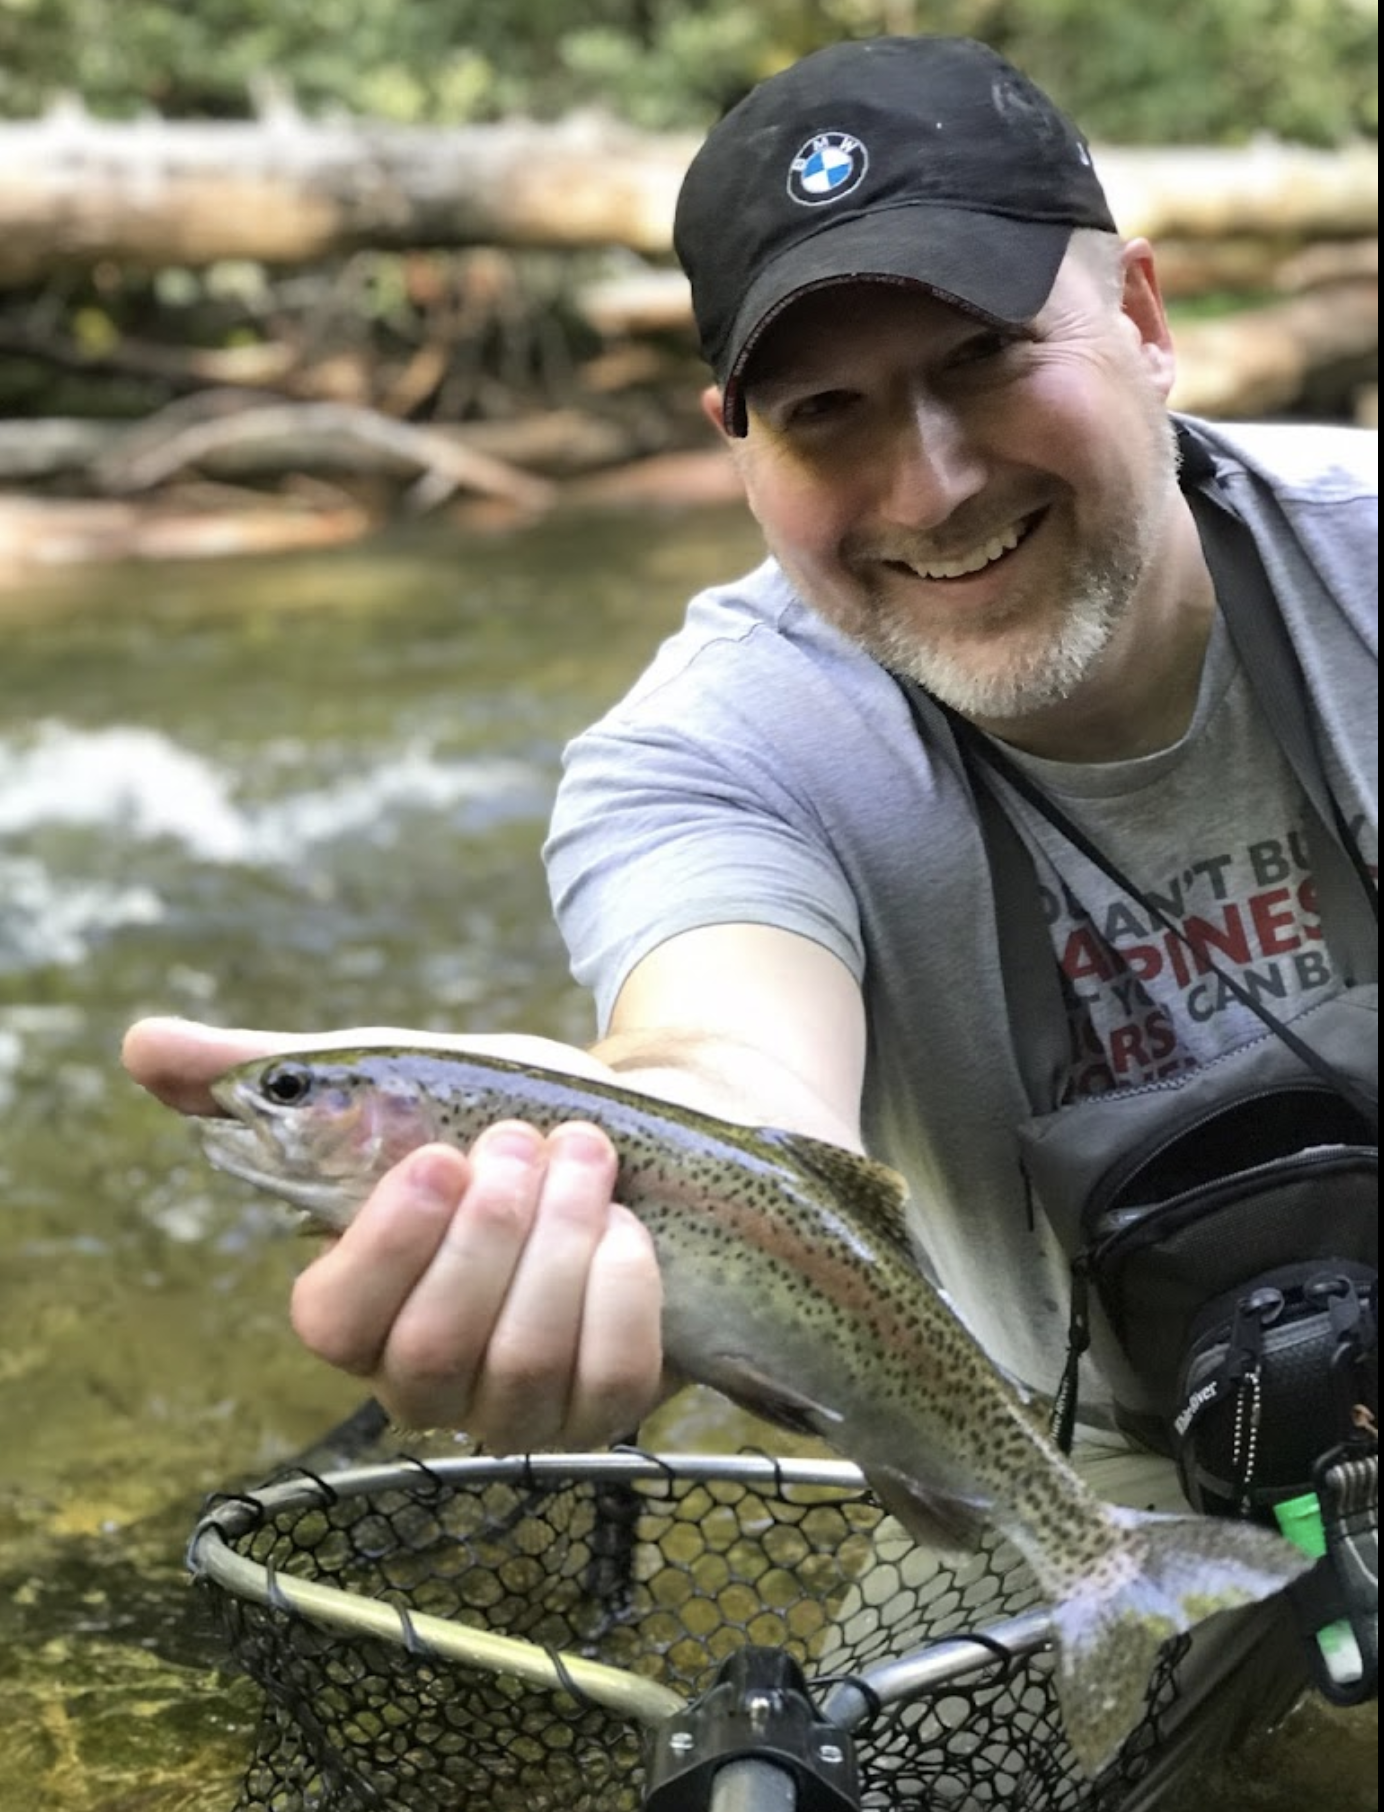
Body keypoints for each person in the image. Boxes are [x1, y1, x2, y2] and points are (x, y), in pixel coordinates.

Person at [123, 34, 1377, 1800]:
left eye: (985, 357)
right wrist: (607, 1155)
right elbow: (726, 1065)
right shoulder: (702, 756)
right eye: (828, 412)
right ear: (736, 446)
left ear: (1148, 321)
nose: (934, 482)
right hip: (1060, 1460)